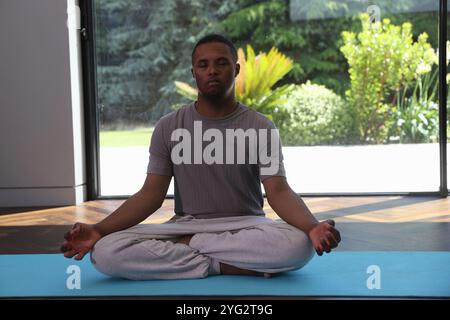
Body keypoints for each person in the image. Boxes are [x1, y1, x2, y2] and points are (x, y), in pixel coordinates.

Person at [61, 34, 341, 280]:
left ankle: (194, 253)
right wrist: (98, 230)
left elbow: (278, 191)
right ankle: (226, 265)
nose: (212, 71)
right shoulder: (169, 127)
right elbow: (150, 194)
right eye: (203, 65)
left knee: (298, 245)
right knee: (106, 252)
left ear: (236, 69)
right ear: (193, 72)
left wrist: (312, 227)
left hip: (246, 226)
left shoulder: (260, 126)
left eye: (221, 63)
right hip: (186, 225)